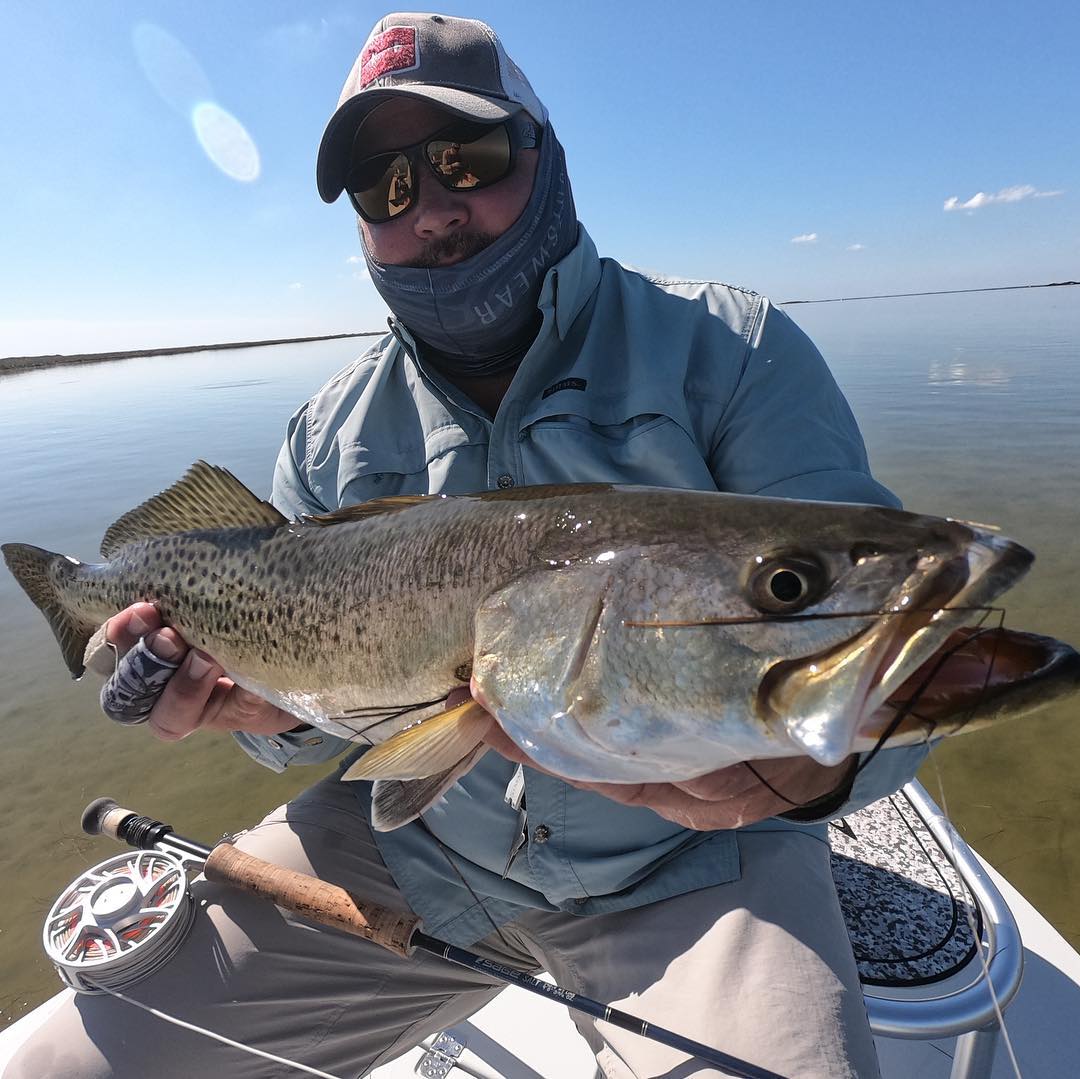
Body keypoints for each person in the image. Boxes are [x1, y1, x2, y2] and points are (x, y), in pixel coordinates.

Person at [8, 13, 926, 1078]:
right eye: (382, 186)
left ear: (544, 152)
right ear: (360, 224)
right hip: (409, 849)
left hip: (692, 860)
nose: (431, 209)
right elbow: (306, 725)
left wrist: (801, 779)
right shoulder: (324, 432)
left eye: (466, 157)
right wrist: (248, 708)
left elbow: (886, 657)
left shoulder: (733, 350)